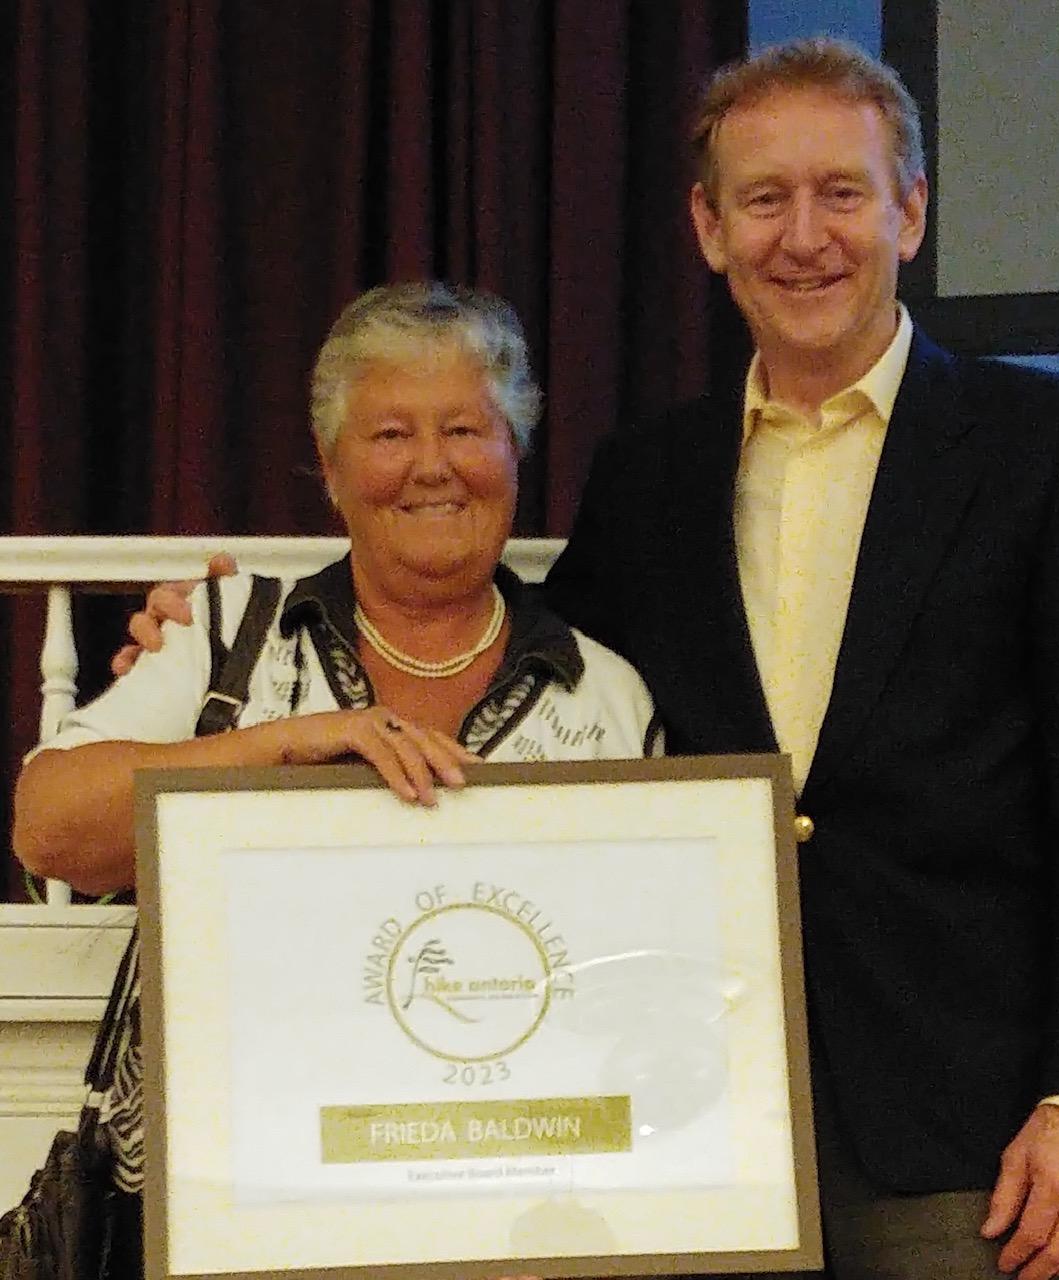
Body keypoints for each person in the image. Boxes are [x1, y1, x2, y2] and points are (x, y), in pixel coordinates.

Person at [109, 39, 1059, 1280]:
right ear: (709, 227)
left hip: (960, 1129)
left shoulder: (1056, 442)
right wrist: (218, 626)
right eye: (764, 200)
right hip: (680, 1116)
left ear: (912, 210)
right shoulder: (651, 472)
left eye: (842, 192)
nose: (805, 235)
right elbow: (504, 652)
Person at [12, 281, 661, 1280]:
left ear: (515, 453)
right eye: (391, 432)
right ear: (331, 465)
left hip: (522, 1221)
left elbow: (651, 980)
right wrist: (286, 747)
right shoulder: (228, 634)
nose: (432, 465)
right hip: (231, 1217)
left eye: (465, 428)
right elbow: (48, 826)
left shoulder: (608, 691)